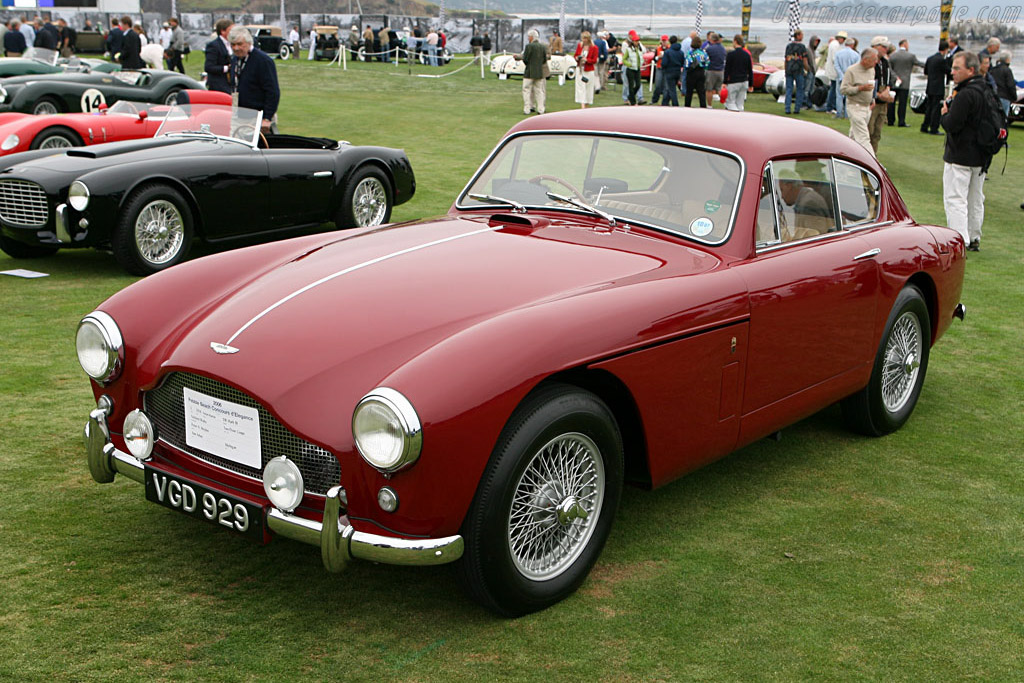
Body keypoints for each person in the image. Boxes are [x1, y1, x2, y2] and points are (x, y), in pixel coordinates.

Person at [942, 51, 991, 252]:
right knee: (975, 197)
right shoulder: (987, 89)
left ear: (970, 70)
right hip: (982, 154)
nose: (952, 72)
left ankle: (960, 240)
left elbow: (953, 124)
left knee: (956, 198)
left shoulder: (966, 94)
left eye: (956, 68)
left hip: (961, 153)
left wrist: (944, 114)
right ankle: (974, 235)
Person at [229, 25, 280, 133]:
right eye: (233, 45)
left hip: (257, 118)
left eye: (239, 44)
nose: (236, 48)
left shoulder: (263, 61)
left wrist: (267, 118)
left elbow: (273, 91)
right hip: (239, 114)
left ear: (249, 43)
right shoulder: (235, 59)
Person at [840, 47, 879, 155]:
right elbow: (843, 90)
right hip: (855, 106)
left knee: (853, 136)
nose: (876, 62)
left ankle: (846, 156)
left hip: (867, 107)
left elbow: (873, 87)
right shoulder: (851, 71)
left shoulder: (872, 70)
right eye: (874, 60)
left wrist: (873, 99)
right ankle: (874, 164)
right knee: (863, 137)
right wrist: (860, 88)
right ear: (865, 60)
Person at [777, 170, 831, 240]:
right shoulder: (806, 199)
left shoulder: (809, 203)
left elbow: (814, 238)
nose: (782, 196)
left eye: (782, 190)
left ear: (789, 186)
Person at [867, 37, 895, 155]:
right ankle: (865, 157)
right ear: (875, 47)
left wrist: (888, 91)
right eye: (883, 47)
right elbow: (867, 82)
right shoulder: (869, 62)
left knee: (877, 132)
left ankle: (874, 156)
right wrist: (878, 95)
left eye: (886, 47)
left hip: (883, 101)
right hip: (872, 101)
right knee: (869, 131)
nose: (886, 49)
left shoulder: (885, 62)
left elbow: (888, 80)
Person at [888, 39, 923, 127]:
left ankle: (890, 120)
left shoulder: (893, 56)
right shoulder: (910, 56)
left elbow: (890, 69)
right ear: (905, 44)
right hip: (905, 82)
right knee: (902, 103)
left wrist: (895, 77)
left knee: (891, 102)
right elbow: (919, 63)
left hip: (894, 81)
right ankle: (901, 121)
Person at [921, 40, 950, 135]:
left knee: (929, 107)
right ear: (945, 49)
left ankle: (925, 126)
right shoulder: (942, 60)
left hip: (930, 86)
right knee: (936, 109)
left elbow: (925, 72)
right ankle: (934, 128)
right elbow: (948, 71)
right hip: (938, 87)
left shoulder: (930, 58)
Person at [516, 29, 547, 115]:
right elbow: (544, 59)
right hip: (539, 72)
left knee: (526, 90)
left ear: (532, 37)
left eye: (529, 37)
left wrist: (528, 64)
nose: (528, 38)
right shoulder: (542, 47)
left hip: (529, 72)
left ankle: (527, 108)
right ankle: (541, 109)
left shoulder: (529, 46)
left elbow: (525, 59)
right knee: (539, 91)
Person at [723, 34, 753, 111]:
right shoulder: (747, 55)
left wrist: (725, 82)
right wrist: (751, 84)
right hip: (744, 81)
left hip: (734, 81)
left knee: (730, 102)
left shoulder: (730, 55)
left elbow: (727, 69)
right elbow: (750, 70)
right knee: (740, 103)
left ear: (735, 41)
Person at [783, 30, 810, 114]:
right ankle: (797, 108)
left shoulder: (788, 46)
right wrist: (808, 69)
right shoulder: (802, 47)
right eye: (802, 35)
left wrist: (785, 70)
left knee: (789, 89)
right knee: (799, 89)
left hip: (789, 70)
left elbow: (786, 59)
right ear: (798, 36)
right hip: (798, 70)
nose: (802, 37)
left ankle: (787, 108)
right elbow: (805, 60)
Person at [204, 18, 233, 94]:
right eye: (231, 30)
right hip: (219, 84)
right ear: (223, 31)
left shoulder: (232, 44)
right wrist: (227, 68)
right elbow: (209, 67)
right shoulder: (214, 46)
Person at [833, 37, 859, 119]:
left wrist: (841, 75)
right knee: (849, 97)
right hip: (850, 78)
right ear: (852, 45)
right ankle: (847, 115)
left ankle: (839, 113)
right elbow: (856, 67)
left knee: (839, 96)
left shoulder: (838, 54)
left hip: (840, 77)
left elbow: (836, 65)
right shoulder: (856, 55)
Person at [574, 31, 598, 108]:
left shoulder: (594, 48)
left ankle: (587, 104)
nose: (584, 40)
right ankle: (582, 105)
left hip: (589, 70)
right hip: (580, 69)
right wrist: (577, 58)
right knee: (580, 87)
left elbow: (594, 60)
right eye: (583, 38)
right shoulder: (579, 46)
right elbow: (576, 55)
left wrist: (587, 60)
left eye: (585, 38)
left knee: (588, 87)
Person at [684, 39, 709, 107]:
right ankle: (703, 106)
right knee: (701, 92)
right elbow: (707, 63)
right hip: (701, 72)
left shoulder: (690, 53)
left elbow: (686, 64)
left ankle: (687, 106)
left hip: (691, 72)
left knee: (689, 92)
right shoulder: (703, 52)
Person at [704, 32, 726, 109]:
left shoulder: (709, 49)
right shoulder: (723, 48)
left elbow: (705, 59)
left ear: (712, 40)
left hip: (711, 70)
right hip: (720, 71)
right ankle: (726, 103)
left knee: (709, 89)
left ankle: (709, 105)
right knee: (719, 89)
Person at [660, 35, 684, 107]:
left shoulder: (668, 52)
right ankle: (665, 102)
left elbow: (664, 63)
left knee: (672, 89)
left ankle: (675, 104)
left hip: (669, 71)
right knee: (671, 87)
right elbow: (682, 62)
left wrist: (664, 68)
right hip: (677, 71)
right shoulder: (681, 52)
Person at [990, 51, 1016, 117]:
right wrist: (1014, 97)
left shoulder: (993, 69)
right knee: (1003, 118)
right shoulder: (1007, 70)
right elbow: (1011, 85)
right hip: (1005, 97)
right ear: (1007, 60)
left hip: (994, 96)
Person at [621, 32, 644, 106]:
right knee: (630, 85)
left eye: (638, 41)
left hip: (637, 69)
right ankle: (633, 101)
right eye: (636, 41)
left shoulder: (639, 49)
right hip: (630, 69)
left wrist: (640, 64)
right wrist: (629, 64)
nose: (637, 42)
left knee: (638, 84)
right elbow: (624, 59)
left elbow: (641, 56)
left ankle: (630, 96)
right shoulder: (628, 49)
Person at [650, 35, 669, 105]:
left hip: (667, 69)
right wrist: (659, 57)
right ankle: (654, 99)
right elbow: (654, 59)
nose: (664, 43)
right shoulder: (658, 49)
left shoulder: (669, 49)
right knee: (657, 85)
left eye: (665, 41)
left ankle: (665, 101)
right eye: (663, 41)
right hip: (659, 68)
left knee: (666, 86)